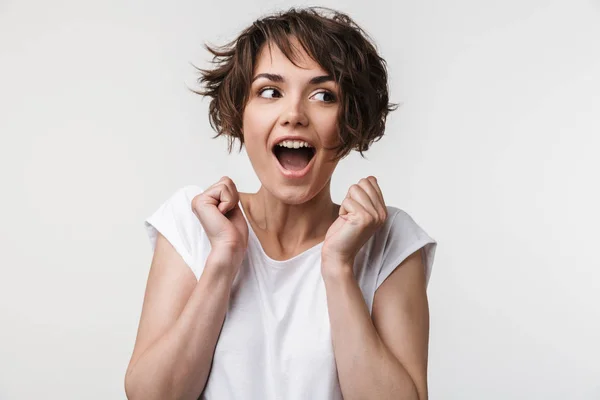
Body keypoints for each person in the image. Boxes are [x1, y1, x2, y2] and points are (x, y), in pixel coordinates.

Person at [125, 6, 437, 400]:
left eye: (324, 95)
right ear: (241, 114)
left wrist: (338, 268)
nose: (294, 114)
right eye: (270, 91)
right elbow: (152, 395)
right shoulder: (193, 221)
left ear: (350, 121)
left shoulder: (389, 238)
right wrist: (224, 258)